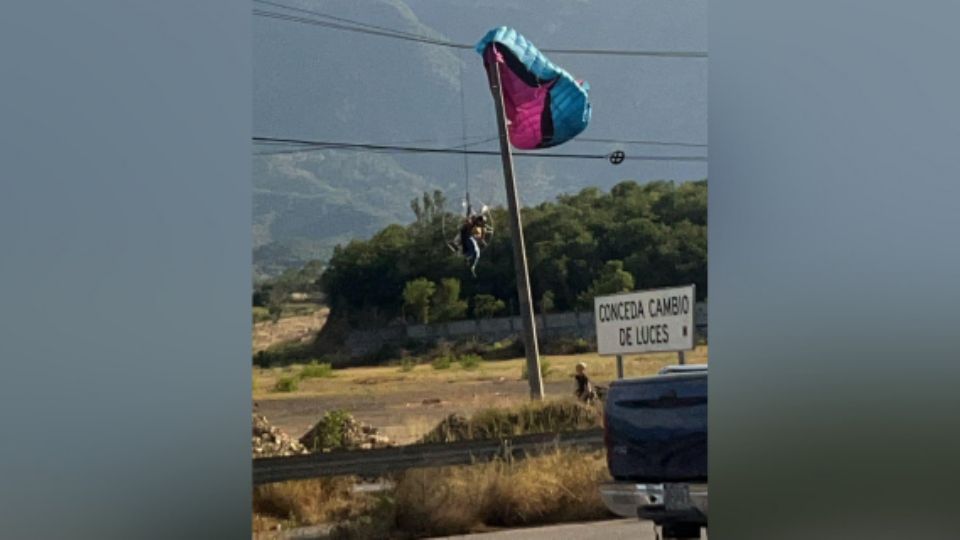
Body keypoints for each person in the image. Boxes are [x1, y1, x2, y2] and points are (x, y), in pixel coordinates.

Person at [459, 212, 487, 277]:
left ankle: (472, 267)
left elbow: (480, 236)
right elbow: (467, 227)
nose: (482, 224)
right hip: (467, 238)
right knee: (474, 250)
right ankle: (467, 259)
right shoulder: (472, 223)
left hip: (470, 238)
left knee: (477, 254)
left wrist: (482, 240)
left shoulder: (479, 226)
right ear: (479, 221)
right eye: (482, 222)